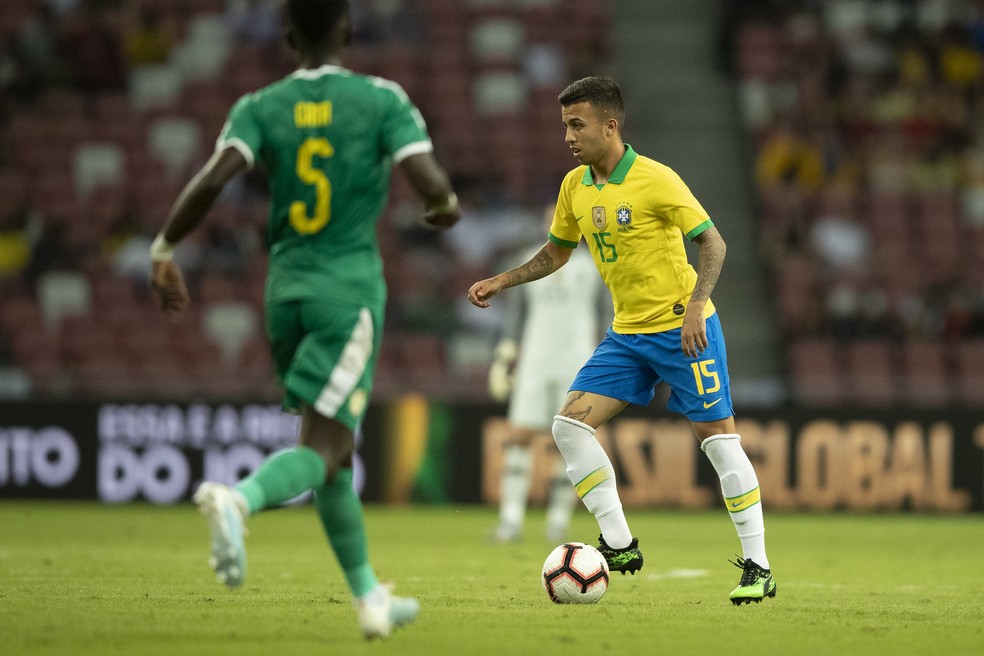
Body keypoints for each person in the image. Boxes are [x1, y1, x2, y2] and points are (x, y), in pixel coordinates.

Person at [148, 0, 460, 639]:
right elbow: (428, 180)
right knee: (321, 446)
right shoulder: (381, 99)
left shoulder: (259, 105)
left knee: (335, 456)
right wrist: (445, 204)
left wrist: (163, 247)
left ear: (287, 35)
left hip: (283, 295)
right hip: (345, 297)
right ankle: (241, 499)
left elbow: (213, 180)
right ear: (347, 29)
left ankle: (370, 597)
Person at [467, 76, 776, 605]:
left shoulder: (657, 180)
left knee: (720, 441)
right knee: (568, 426)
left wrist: (698, 306)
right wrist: (504, 279)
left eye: (576, 124)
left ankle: (759, 566)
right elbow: (556, 254)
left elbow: (713, 243)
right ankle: (619, 544)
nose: (568, 135)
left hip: (683, 329)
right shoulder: (574, 187)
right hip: (627, 336)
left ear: (610, 126)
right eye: (565, 125)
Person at [488, 205, 609, 544]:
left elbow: (605, 318)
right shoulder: (529, 260)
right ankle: (510, 519)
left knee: (567, 441)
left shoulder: (597, 265)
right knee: (521, 435)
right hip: (535, 360)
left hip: (578, 362)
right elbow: (516, 316)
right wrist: (504, 357)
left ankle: (557, 520)